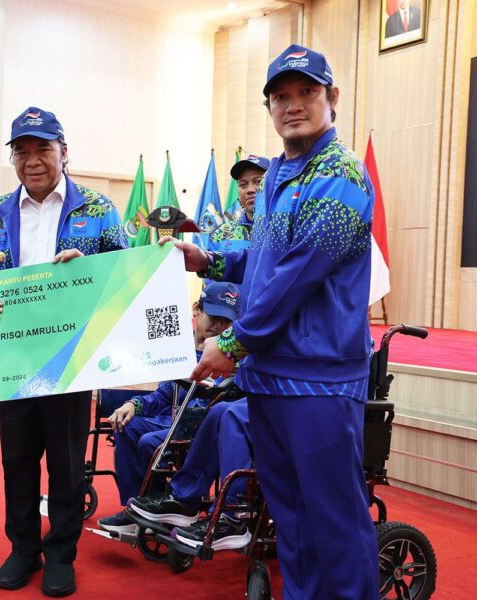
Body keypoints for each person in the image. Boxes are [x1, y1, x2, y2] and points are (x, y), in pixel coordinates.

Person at [169, 44, 378, 599]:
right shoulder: (277, 176)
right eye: (280, 96)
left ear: (332, 97)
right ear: (269, 108)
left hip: (320, 381)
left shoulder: (341, 174)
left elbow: (298, 273)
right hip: (268, 377)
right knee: (291, 519)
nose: (293, 105)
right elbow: (265, 256)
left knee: (334, 521)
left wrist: (234, 342)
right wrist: (208, 259)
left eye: (306, 92)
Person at [0, 106, 128, 597]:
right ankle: (23, 548)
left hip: (73, 358)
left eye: (43, 149)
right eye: (22, 151)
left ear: (63, 152)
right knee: (17, 459)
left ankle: (60, 553)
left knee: (66, 462)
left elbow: (125, 272)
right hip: (15, 358)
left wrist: (89, 266)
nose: (32, 160)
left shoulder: (97, 209)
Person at [96, 282, 248, 548]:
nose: (219, 326)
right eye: (213, 316)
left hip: (200, 424)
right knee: (127, 425)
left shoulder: (230, 356)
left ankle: (160, 505)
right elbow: (163, 395)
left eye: (226, 321)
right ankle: (134, 508)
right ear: (197, 310)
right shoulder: (177, 347)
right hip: (171, 418)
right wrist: (134, 404)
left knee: (149, 442)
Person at [206, 155, 269, 254]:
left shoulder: (285, 231)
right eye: (243, 185)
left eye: (258, 182)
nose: (250, 190)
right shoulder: (221, 234)